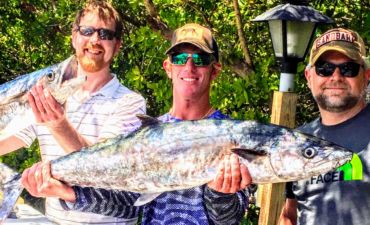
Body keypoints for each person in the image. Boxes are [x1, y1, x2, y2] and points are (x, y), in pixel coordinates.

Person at [21, 23, 251, 225]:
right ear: (168, 68)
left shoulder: (238, 136)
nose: (189, 68)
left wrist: (220, 195)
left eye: (200, 59)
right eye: (180, 58)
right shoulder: (146, 133)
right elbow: (129, 204)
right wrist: (69, 193)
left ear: (215, 70)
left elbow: (230, 219)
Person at [1, 1, 146, 224]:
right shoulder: (48, 95)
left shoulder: (130, 103)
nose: (95, 40)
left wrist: (58, 125)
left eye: (105, 34)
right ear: (74, 36)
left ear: (117, 46)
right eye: (87, 31)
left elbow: (106, 167)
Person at [279, 28, 370, 225]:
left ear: (366, 75)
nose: (336, 77)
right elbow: (290, 215)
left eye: (348, 68)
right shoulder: (294, 140)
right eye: (324, 68)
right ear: (309, 76)